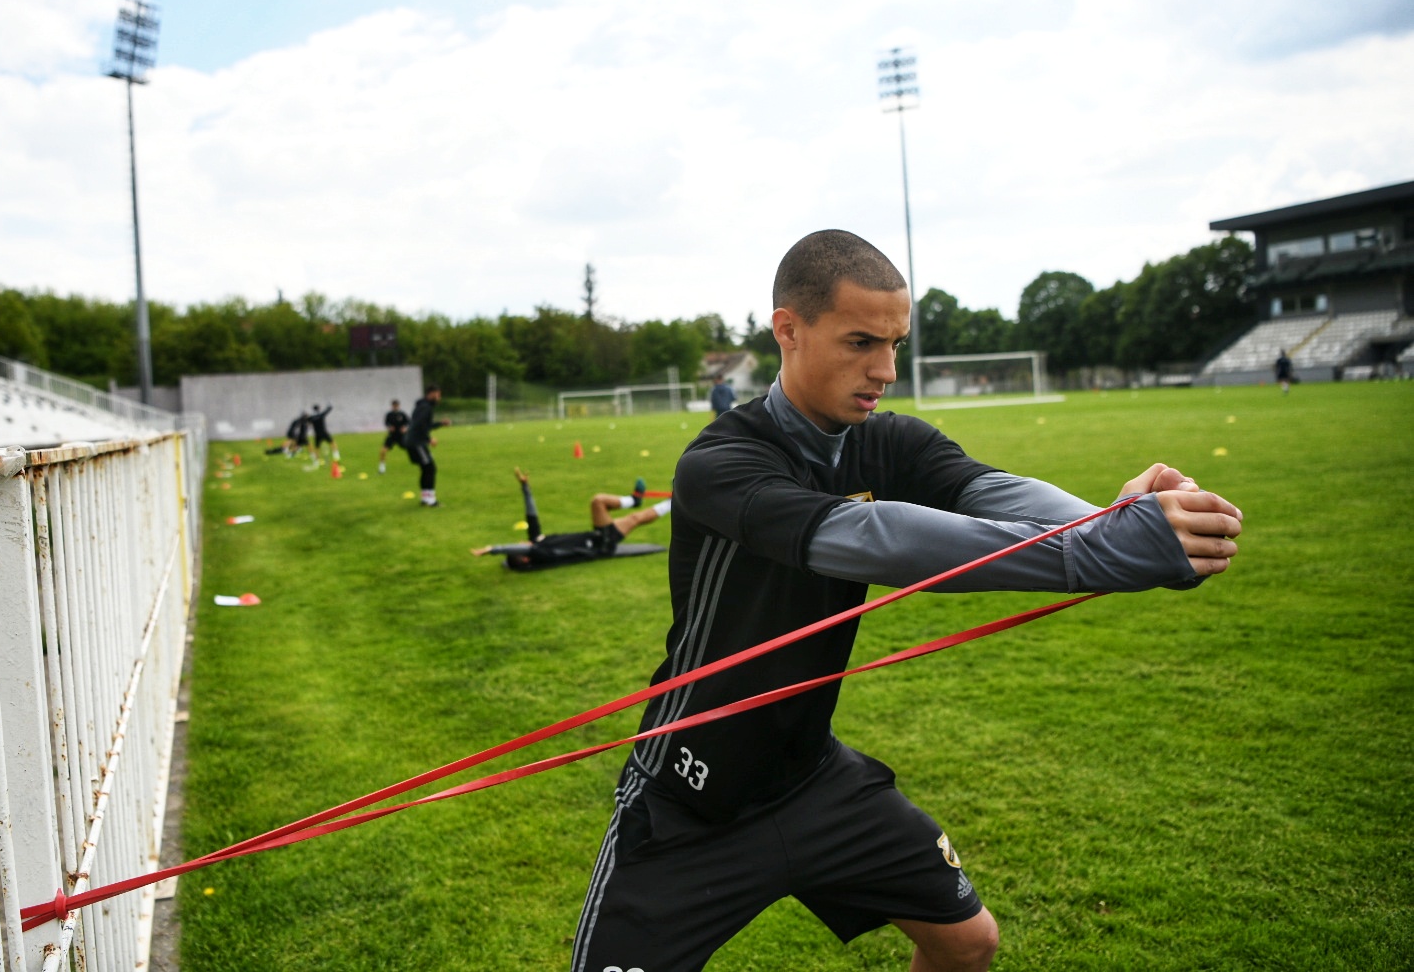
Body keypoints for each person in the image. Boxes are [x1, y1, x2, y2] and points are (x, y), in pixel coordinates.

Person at [571, 229, 1244, 972]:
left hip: (810, 778)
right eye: (862, 342)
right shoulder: (722, 463)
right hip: (687, 800)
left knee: (966, 942)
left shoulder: (889, 443)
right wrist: (1108, 550)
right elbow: (873, 536)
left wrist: (1110, 523)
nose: (886, 370)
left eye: (895, 344)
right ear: (788, 330)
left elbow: (994, 493)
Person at [472, 469, 668, 570]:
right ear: (524, 557)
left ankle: (640, 501)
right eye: (520, 547)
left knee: (625, 514)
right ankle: (666, 501)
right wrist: (492, 549)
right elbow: (522, 549)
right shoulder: (540, 552)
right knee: (603, 504)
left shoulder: (537, 540)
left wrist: (525, 487)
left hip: (597, 537)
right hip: (600, 545)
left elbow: (531, 514)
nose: (521, 542)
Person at [403, 384, 452, 507]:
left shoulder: (422, 406)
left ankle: (425, 498)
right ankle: (431, 500)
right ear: (432, 393)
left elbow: (426, 425)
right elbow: (420, 425)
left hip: (414, 441)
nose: (439, 398)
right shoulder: (425, 407)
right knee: (430, 468)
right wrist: (429, 439)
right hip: (416, 442)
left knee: (426, 468)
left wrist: (440, 423)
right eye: (438, 395)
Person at [378, 399, 408, 474]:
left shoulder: (402, 414)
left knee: (412, 447)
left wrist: (405, 428)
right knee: (383, 451)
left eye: (396, 405)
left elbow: (408, 422)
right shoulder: (389, 414)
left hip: (402, 436)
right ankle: (382, 468)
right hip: (392, 436)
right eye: (394, 406)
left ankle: (423, 460)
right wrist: (390, 427)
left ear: (398, 406)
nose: (395, 407)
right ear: (392, 406)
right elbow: (386, 423)